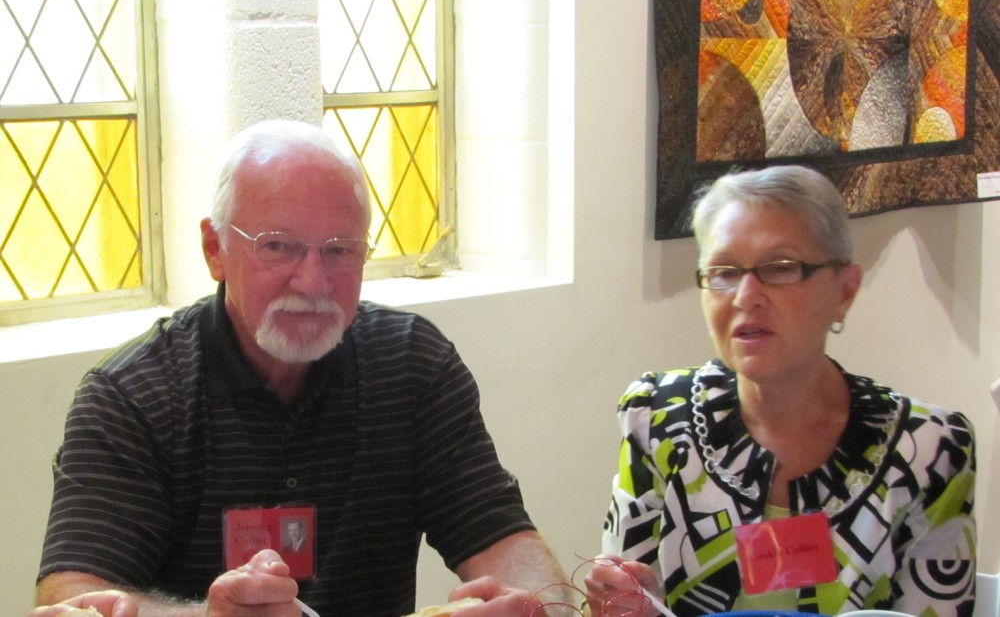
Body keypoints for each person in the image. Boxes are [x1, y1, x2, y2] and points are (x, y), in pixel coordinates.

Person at [35, 120, 571, 617]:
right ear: (215, 248)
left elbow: (499, 534)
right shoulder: (133, 395)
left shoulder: (411, 365)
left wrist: (530, 602)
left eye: (340, 251)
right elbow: (74, 597)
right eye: (278, 246)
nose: (313, 282)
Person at [584, 165, 976, 617]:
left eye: (781, 268)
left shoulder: (930, 448)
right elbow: (622, 596)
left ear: (845, 291)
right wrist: (631, 604)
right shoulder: (658, 417)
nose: (745, 296)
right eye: (724, 272)